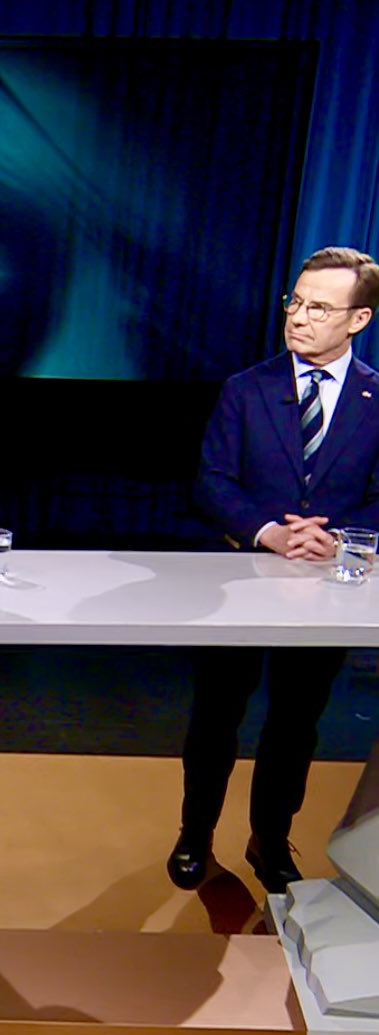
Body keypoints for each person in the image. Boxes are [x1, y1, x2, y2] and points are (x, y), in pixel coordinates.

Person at [169, 246, 379, 894]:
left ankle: (268, 839)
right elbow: (212, 481)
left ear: (359, 319)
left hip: (327, 590)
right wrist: (269, 532)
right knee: (215, 718)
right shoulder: (246, 387)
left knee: (295, 724)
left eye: (320, 308)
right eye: (295, 302)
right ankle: (194, 835)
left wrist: (335, 537)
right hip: (238, 581)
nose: (299, 317)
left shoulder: (377, 397)